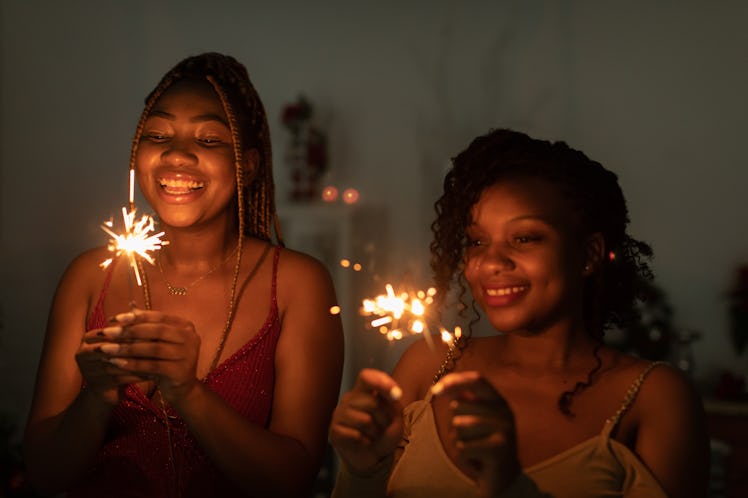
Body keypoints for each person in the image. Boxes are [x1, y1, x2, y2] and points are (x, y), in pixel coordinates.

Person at [23, 52, 344, 497]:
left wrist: (188, 393)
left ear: (247, 166)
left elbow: (293, 479)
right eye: (158, 134)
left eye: (210, 139)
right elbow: (43, 473)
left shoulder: (295, 284)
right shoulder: (89, 278)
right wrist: (95, 398)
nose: (176, 153)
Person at [329, 128, 709, 498]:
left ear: (589, 254)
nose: (491, 262)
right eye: (477, 241)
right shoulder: (427, 367)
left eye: (525, 238)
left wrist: (509, 484)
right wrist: (364, 470)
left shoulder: (655, 397)